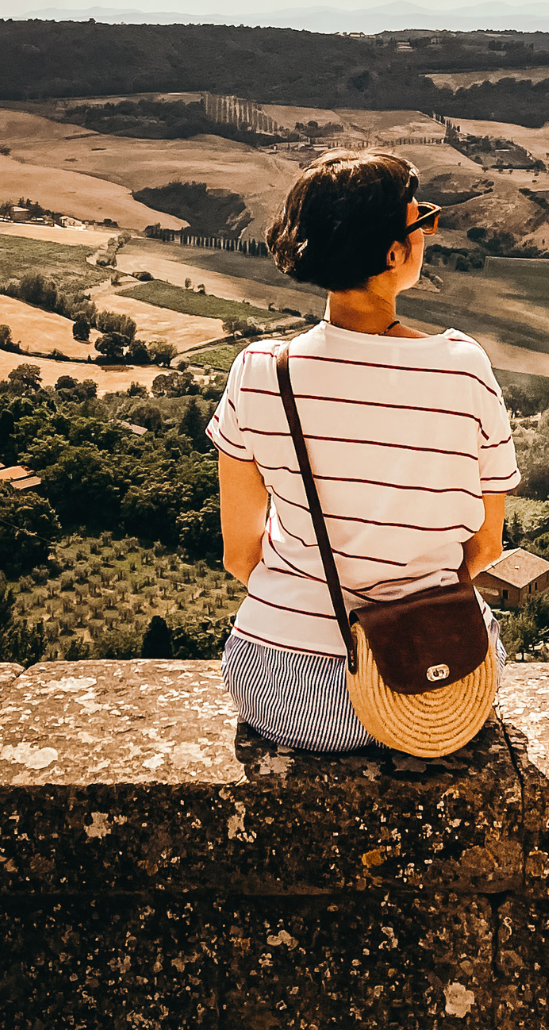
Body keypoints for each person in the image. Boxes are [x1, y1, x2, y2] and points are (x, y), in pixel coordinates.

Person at [207, 149, 520, 752]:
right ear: (394, 253)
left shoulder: (258, 373)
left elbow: (240, 556)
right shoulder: (464, 369)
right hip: (436, 681)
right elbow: (485, 548)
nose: (427, 234)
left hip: (284, 690)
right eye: (420, 220)